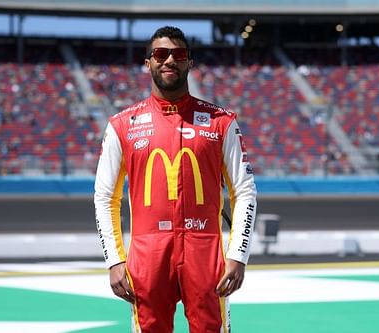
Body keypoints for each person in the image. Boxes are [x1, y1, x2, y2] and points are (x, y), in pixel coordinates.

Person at [94, 26, 257, 333]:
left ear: (189, 63)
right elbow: (105, 197)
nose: (169, 60)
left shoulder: (222, 122)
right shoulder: (121, 125)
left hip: (206, 253)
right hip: (147, 256)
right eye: (160, 53)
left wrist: (238, 256)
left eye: (178, 54)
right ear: (148, 62)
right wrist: (114, 261)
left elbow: (245, 191)